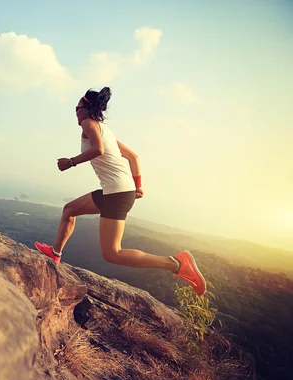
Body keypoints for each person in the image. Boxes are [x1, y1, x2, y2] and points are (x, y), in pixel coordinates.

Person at [34, 87, 207, 296]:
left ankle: (177, 264)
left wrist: (71, 162)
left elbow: (99, 150)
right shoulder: (106, 131)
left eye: (77, 108)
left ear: (86, 109)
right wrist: (138, 185)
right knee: (69, 209)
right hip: (116, 191)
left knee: (112, 253)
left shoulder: (89, 124)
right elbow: (133, 157)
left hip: (117, 193)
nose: (75, 112)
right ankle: (55, 253)